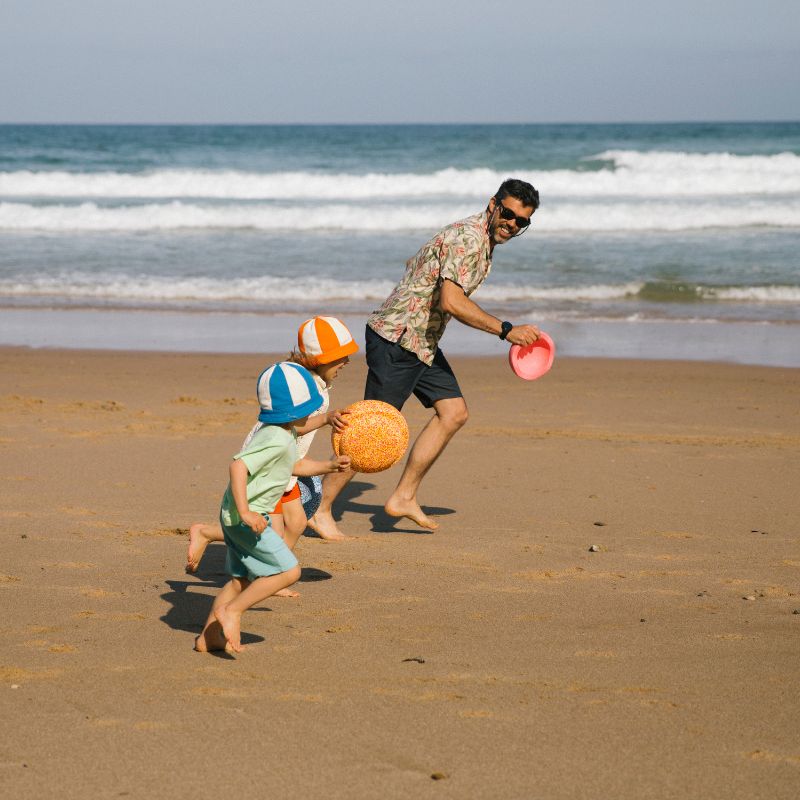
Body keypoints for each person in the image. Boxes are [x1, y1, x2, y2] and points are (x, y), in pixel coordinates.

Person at [308, 178, 541, 539]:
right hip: (399, 341)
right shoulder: (468, 239)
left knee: (453, 412)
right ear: (493, 203)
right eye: (508, 214)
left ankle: (403, 496)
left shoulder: (476, 239)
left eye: (521, 221)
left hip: (422, 342)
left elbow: (416, 263)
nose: (511, 224)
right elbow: (451, 301)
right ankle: (320, 509)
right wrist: (505, 329)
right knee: (371, 432)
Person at [194, 360, 350, 654]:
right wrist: (246, 512)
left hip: (239, 515)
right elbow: (238, 467)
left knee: (241, 580)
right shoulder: (277, 438)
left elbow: (296, 464)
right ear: (297, 408)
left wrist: (328, 465)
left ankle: (209, 636)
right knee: (288, 572)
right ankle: (232, 612)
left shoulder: (282, 429)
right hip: (247, 517)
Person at [186, 317, 358, 580]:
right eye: (340, 357)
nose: (346, 362)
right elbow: (291, 428)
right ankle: (212, 536)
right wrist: (324, 419)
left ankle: (274, 574)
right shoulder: (300, 385)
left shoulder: (318, 383)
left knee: (298, 523)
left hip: (288, 464)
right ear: (318, 359)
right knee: (269, 531)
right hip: (269, 463)